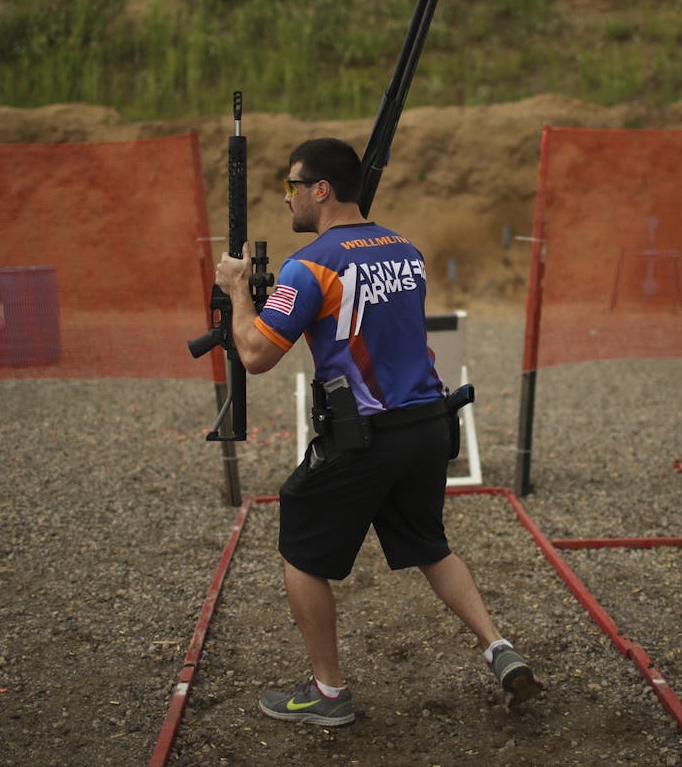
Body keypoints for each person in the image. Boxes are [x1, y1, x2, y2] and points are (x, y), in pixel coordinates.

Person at [213, 137, 543, 728]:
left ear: (321, 189)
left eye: (292, 187)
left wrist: (239, 293)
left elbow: (257, 354)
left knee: (300, 541)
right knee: (428, 544)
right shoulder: (406, 249)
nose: (286, 199)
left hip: (367, 433)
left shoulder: (310, 263)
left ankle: (328, 692)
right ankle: (499, 648)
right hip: (426, 425)